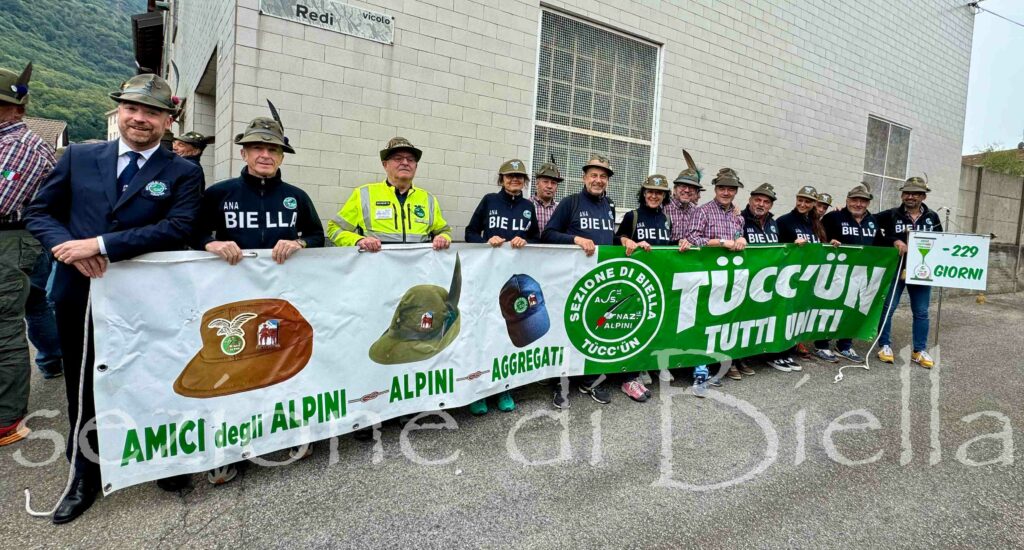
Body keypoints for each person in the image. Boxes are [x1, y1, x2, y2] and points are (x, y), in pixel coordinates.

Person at [25, 73, 204, 524]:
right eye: (132, 109)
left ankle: (162, 460)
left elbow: (179, 227)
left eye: (152, 113)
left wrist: (98, 245)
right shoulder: (81, 156)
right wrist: (68, 247)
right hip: (81, 291)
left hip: (150, 298)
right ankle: (86, 469)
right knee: (85, 382)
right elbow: (39, 211)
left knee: (156, 374)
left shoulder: (183, 171)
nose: (140, 119)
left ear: (168, 120)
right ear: (120, 112)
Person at [1, 61, 57, 446]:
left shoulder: (20, 145)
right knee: (35, 304)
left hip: (13, 238)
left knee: (5, 325)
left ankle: (6, 417)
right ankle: (54, 358)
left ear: (15, 108)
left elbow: (2, 201)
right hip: (27, 238)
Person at [542, 154, 618, 408]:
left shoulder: (610, 206)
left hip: (599, 281)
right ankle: (561, 381)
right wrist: (575, 240)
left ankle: (589, 378)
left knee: (595, 328)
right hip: (571, 280)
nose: (598, 180)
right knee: (567, 329)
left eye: (603, 176)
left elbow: (609, 239)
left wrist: (626, 240)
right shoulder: (570, 202)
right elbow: (548, 234)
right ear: (584, 177)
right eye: (594, 175)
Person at [464, 159, 538, 414]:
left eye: (519, 176)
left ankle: (504, 387)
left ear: (524, 181)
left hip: (514, 280)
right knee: (485, 329)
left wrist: (525, 239)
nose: (514, 180)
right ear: (501, 179)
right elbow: (470, 232)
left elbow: (537, 238)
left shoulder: (529, 206)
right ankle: (479, 390)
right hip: (489, 277)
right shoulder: (489, 200)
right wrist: (486, 240)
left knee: (508, 330)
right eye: (509, 176)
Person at [680, 168, 747, 386]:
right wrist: (720, 242)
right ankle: (700, 369)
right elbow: (691, 238)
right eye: (722, 188)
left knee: (722, 321)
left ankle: (720, 363)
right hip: (706, 275)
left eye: (730, 189)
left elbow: (738, 237)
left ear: (735, 192)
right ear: (716, 189)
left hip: (729, 276)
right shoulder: (703, 211)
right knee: (703, 321)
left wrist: (741, 240)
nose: (726, 192)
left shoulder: (738, 216)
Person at [326, 137, 451, 250]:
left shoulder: (428, 199)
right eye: (398, 158)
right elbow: (334, 229)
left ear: (416, 167)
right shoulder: (363, 194)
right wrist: (359, 240)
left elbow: (444, 231)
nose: (405, 163)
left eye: (411, 159)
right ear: (385, 164)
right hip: (377, 271)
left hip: (416, 272)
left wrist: (443, 237)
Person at [614, 174, 674, 402]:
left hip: (658, 281)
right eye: (650, 191)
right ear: (643, 193)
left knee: (654, 325)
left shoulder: (667, 219)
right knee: (633, 326)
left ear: (664, 196)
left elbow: (668, 247)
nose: (654, 195)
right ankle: (628, 377)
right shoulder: (633, 215)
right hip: (635, 283)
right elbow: (618, 240)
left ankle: (645, 366)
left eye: (659, 192)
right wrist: (631, 243)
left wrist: (681, 245)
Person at [875, 176, 943, 368]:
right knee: (888, 307)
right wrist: (893, 240)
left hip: (922, 271)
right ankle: (884, 345)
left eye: (915, 193)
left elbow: (941, 241)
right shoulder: (891, 215)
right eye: (906, 193)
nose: (910, 196)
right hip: (897, 269)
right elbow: (868, 223)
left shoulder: (932, 217)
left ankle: (919, 350)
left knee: (921, 312)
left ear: (923, 197)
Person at [814, 182, 879, 363]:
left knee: (853, 308)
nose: (858, 204)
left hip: (860, 274)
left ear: (868, 203)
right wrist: (829, 243)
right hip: (836, 272)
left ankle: (844, 345)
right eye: (854, 200)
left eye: (863, 201)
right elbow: (819, 238)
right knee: (831, 308)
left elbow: (881, 243)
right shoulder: (833, 217)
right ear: (847, 200)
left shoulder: (873, 221)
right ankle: (822, 344)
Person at [530, 158, 562, 233]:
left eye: (553, 183)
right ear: (537, 184)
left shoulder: (560, 209)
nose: (549, 186)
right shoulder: (526, 206)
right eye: (545, 182)